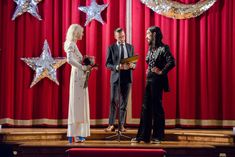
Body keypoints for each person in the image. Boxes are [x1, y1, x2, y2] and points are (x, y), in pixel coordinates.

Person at [131, 26, 175, 144]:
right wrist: (149, 69)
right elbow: (150, 61)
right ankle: (142, 136)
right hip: (149, 80)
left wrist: (161, 71)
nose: (146, 37)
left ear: (154, 35)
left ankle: (158, 136)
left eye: (148, 34)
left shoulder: (164, 48)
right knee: (145, 108)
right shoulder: (151, 49)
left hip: (158, 81)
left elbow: (172, 62)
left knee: (157, 108)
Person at [64, 24, 91, 143]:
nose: (83, 34)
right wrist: (82, 67)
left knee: (79, 103)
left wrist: (87, 63)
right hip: (77, 77)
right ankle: (75, 133)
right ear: (76, 32)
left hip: (80, 76)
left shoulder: (73, 44)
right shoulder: (70, 44)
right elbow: (69, 60)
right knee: (77, 103)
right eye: (81, 32)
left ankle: (76, 133)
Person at [105, 28, 136, 132]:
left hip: (127, 77)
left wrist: (132, 65)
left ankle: (121, 125)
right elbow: (107, 64)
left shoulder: (130, 47)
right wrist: (117, 67)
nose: (122, 39)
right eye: (120, 37)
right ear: (115, 37)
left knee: (124, 102)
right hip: (115, 78)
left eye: (123, 36)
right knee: (113, 101)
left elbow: (134, 62)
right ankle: (111, 124)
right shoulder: (111, 48)